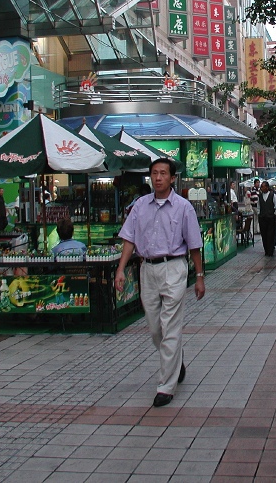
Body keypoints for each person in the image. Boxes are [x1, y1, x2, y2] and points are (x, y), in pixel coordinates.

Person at [114, 158, 204, 408]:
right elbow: (129, 239)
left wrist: (199, 276)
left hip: (174, 267)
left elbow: (195, 245)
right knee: (155, 328)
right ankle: (176, 360)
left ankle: (166, 386)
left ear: (172, 178)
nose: (158, 178)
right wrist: (120, 270)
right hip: (147, 269)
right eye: (154, 173)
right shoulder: (140, 206)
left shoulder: (184, 207)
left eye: (163, 173)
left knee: (170, 325)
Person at [258, 181, 276, 256]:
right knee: (264, 235)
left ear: (267, 187)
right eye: (261, 187)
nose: (261, 188)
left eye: (263, 186)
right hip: (262, 218)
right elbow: (258, 206)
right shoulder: (260, 196)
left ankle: (270, 250)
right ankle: (266, 250)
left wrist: (274, 215)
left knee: (270, 234)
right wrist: (260, 214)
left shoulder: (273, 195)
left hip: (270, 218)